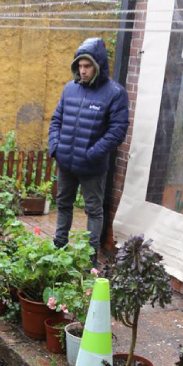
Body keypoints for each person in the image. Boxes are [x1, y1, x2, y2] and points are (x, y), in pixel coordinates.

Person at [47, 38, 129, 265]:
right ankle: (59, 248)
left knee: (94, 210)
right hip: (66, 162)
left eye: (87, 66)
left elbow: (117, 131)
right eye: (80, 66)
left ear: (98, 66)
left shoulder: (115, 93)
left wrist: (92, 153)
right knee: (63, 205)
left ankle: (89, 257)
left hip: (92, 167)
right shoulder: (69, 88)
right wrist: (55, 147)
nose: (83, 71)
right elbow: (56, 120)